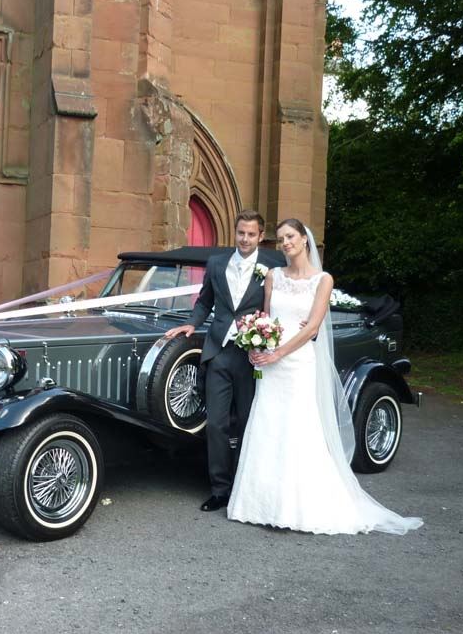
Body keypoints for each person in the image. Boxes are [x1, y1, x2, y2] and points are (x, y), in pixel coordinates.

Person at [227, 218, 423, 534]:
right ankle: (259, 505)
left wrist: (277, 352)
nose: (285, 243)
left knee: (297, 428)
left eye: (290, 236)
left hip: (297, 362)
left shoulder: (323, 280)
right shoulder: (273, 277)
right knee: (267, 423)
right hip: (269, 362)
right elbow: (266, 318)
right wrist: (256, 344)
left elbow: (314, 328)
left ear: (304, 239)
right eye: (280, 239)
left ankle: (295, 508)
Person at [164, 210, 285, 512]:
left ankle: (245, 487)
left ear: (260, 236)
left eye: (251, 234)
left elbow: (278, 306)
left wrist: (271, 340)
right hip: (218, 351)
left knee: (248, 423)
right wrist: (192, 323)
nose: (244, 239)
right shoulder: (217, 264)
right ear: (235, 233)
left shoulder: (273, 266)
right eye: (240, 233)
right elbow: (205, 300)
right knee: (216, 424)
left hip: (251, 356)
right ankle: (219, 489)